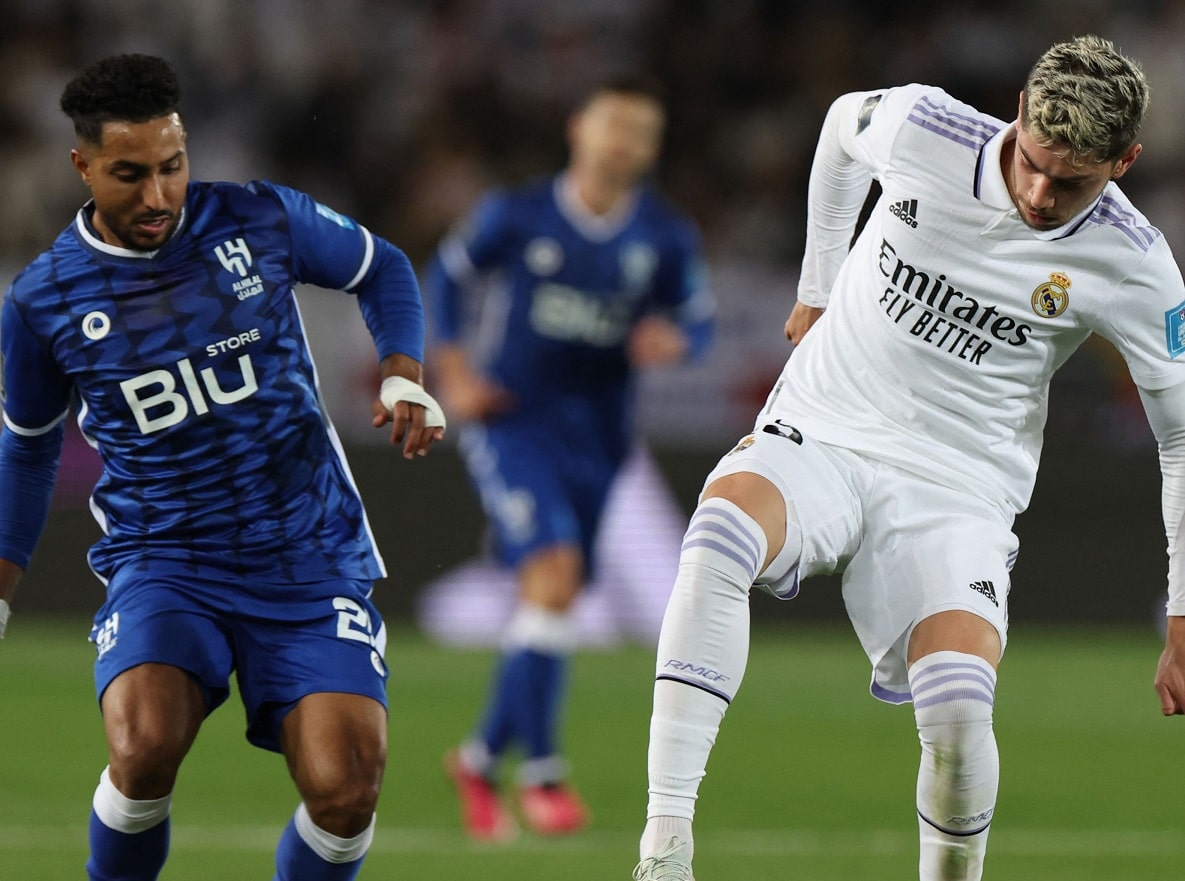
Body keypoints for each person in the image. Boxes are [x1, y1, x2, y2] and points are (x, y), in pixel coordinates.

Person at [630, 34, 1185, 881]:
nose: (1038, 192)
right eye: (1032, 160)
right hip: (825, 426)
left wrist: (1181, 615)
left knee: (959, 714)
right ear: (1016, 116)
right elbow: (838, 129)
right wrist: (816, 287)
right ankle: (663, 852)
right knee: (717, 539)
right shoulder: (925, 127)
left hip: (957, 486)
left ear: (1124, 162)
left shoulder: (1137, 265)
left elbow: (1178, 438)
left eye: (1069, 180)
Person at [0, 54, 445, 881]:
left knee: (347, 787)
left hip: (307, 552)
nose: (158, 196)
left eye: (172, 167)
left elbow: (383, 267)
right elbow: (26, 448)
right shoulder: (44, 300)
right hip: (165, 557)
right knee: (142, 747)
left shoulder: (257, 220)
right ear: (82, 165)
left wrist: (401, 370)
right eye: (129, 175)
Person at [425, 76, 715, 840]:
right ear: (577, 129)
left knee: (549, 602)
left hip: (601, 439)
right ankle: (545, 770)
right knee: (551, 579)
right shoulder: (517, 214)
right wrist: (453, 374)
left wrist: (675, 339)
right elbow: (447, 279)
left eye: (638, 131)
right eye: (610, 125)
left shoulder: (661, 233)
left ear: (650, 150)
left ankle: (482, 757)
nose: (622, 142)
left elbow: (698, 318)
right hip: (515, 423)